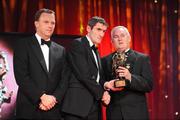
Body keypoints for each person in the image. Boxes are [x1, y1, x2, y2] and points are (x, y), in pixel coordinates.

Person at [13, 8, 69, 119]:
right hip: (29, 109)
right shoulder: (23, 45)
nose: (50, 25)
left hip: (53, 110)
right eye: (46, 22)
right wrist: (41, 97)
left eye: (53, 23)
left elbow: (64, 79)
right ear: (36, 24)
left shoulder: (61, 50)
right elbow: (21, 77)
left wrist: (54, 98)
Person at [62, 16, 110, 120]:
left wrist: (106, 85)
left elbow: (97, 77)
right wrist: (102, 94)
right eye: (98, 29)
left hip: (93, 107)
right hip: (77, 107)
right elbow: (84, 75)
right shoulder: (77, 44)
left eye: (104, 31)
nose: (102, 34)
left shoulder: (96, 51)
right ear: (88, 28)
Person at [102, 26, 153, 120]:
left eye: (122, 35)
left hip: (136, 113)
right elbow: (101, 82)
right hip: (114, 113)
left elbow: (148, 85)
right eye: (116, 36)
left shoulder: (142, 59)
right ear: (111, 41)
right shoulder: (104, 60)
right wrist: (105, 90)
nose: (120, 39)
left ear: (129, 38)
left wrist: (130, 77)